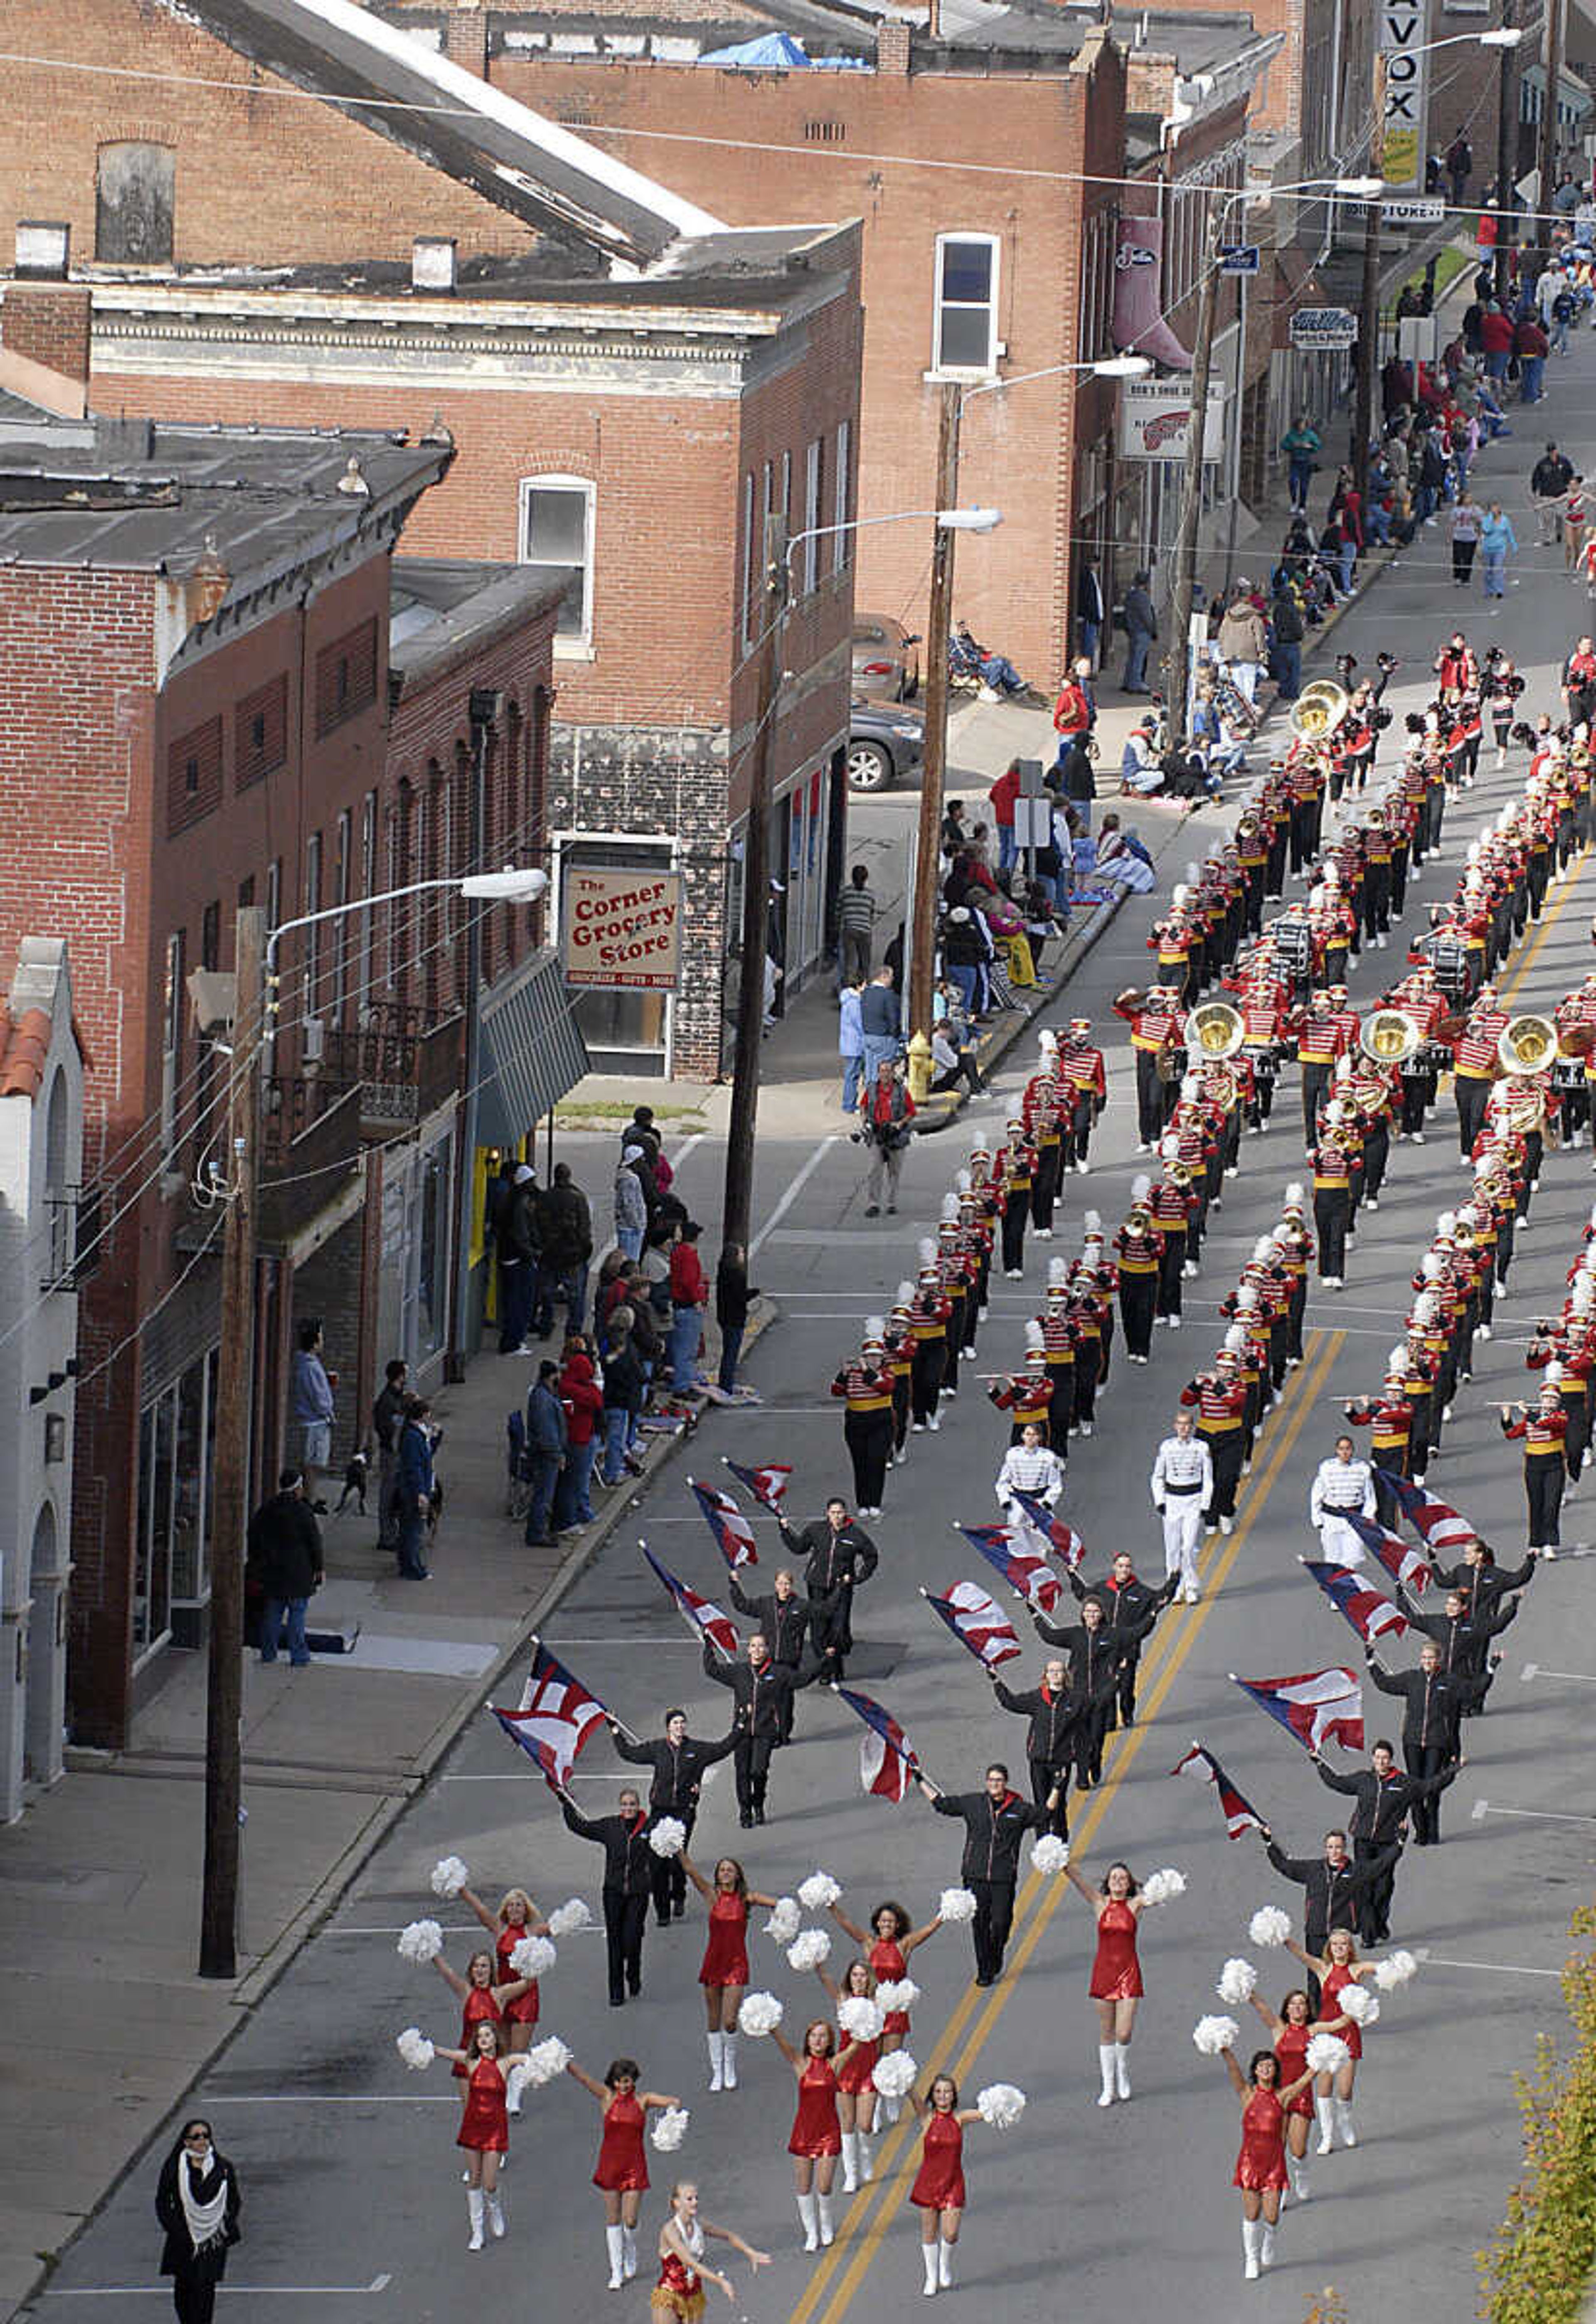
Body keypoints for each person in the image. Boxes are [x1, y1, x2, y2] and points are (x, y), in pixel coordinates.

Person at [918, 1762, 1056, 1987]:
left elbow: (1045, 1815)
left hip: (1003, 1878)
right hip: (975, 1876)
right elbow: (942, 1804)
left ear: (1005, 1783)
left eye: (999, 1781)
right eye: (991, 1780)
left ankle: (996, 1953)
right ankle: (985, 1971)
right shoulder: (974, 1804)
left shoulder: (1018, 1808)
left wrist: (1057, 1788)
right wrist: (920, 1780)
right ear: (986, 1783)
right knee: (980, 1924)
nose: (995, 1784)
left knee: (1001, 1923)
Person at [1311, 1736, 1456, 1940]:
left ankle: (1379, 1924)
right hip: (1363, 1842)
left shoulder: (1404, 1783)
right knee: (1364, 1887)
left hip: (1388, 1843)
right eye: (1378, 1758)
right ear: (1373, 1758)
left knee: (1384, 1887)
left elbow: (1430, 1786)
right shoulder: (1364, 1780)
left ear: (1391, 1760)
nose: (1381, 1762)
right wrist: (1320, 1764)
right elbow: (1338, 1783)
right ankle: (1369, 1935)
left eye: (1385, 1758)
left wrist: (1452, 1770)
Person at [564, 2053, 682, 2288]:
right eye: (620, 2081)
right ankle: (616, 2271)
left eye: (628, 2081)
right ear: (614, 2082)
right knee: (613, 2218)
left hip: (634, 2165)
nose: (624, 2086)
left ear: (634, 2081)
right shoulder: (606, 2098)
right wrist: (563, 2060)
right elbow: (584, 2078)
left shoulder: (643, 2101)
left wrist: (672, 2119)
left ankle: (630, 2248)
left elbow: (674, 2101)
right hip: (609, 2165)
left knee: (630, 2220)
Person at [611, 1708, 737, 1927]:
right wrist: (614, 1730)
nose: (680, 1726)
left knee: (678, 1859)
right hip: (660, 1811)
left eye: (682, 1722)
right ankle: (662, 1911)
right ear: (668, 1727)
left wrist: (741, 1726)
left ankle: (678, 1895)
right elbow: (628, 1753)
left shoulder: (696, 1750)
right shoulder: (657, 1748)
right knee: (657, 1862)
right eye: (675, 1723)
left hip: (684, 1812)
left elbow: (723, 1748)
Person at [1211, 2038, 1315, 2280]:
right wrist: (1224, 2049)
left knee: (1272, 2215)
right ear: (1256, 2071)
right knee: (1252, 2213)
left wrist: (1322, 2060)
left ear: (1276, 2071)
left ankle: (1269, 2239)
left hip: (1274, 2165)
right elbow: (1234, 2071)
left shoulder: (1283, 2097)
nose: (1267, 2069)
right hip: (1250, 2163)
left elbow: (1305, 2080)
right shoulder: (1247, 2096)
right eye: (1262, 2066)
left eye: (1271, 2066)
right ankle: (1252, 2258)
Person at [679, 1849, 780, 2093]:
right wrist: (678, 1847)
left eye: (730, 1870)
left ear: (737, 1876)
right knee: (713, 2020)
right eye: (722, 1870)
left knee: (730, 2020)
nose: (726, 1873)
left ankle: (730, 2066)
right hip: (713, 1962)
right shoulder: (712, 1895)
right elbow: (691, 1871)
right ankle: (718, 2071)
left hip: (736, 1963)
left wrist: (783, 1918)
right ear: (718, 1875)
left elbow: (780, 1904)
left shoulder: (747, 1898)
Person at [1365, 1639, 1484, 1840]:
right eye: (1424, 1658)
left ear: (1439, 1660)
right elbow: (1385, 1684)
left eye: (1431, 1658)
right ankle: (1421, 1833)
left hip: (1437, 1742)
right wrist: (1371, 1662)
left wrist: (1490, 1670)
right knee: (1414, 1788)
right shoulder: (1412, 1679)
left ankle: (1433, 1832)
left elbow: (1474, 1690)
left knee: (1432, 1787)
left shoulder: (1449, 1681)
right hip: (1412, 1742)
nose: (1427, 1661)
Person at [701, 1630, 823, 1826]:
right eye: (753, 1646)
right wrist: (708, 1645)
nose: (757, 1650)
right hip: (741, 1733)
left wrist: (824, 1661)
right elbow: (712, 1670)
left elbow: (802, 1679)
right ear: (748, 1650)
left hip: (765, 1732)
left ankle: (758, 1803)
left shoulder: (778, 1672)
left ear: (767, 1650)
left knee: (758, 1771)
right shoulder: (739, 1672)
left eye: (761, 1646)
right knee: (742, 1773)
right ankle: (745, 1812)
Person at [1063, 1854, 1151, 2105]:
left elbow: (1155, 1896)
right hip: (1104, 1972)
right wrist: (1064, 1865)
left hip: (1129, 1972)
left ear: (1129, 1883)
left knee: (1123, 2033)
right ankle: (1108, 2087)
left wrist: (1167, 1887)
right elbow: (1079, 1881)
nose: (1118, 1881)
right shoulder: (1099, 1903)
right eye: (1114, 1878)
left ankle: (1122, 2071)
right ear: (1109, 1883)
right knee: (1107, 2031)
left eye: (1123, 1878)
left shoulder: (1136, 1905)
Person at [559, 1782, 655, 2006]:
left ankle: (633, 1973)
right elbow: (581, 1827)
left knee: (632, 1938)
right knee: (614, 1942)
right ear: (620, 1807)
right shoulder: (611, 1826)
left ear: (638, 1806)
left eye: (632, 1804)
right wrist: (566, 1804)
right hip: (613, 1892)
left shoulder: (650, 1827)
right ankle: (616, 1991)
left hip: (638, 1893)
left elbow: (665, 1848)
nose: (628, 1808)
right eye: (624, 1805)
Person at [1256, 1824, 1399, 1955]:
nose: (1334, 1851)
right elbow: (1285, 1866)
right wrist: (1269, 1843)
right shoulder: (1313, 1870)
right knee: (1315, 1977)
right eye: (1331, 1847)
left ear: (1344, 1849)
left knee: (1338, 1978)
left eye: (1338, 1847)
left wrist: (1399, 1844)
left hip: (1340, 1935)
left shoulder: (1355, 1872)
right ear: (1326, 1848)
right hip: (1315, 1931)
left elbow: (1380, 1865)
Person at [907, 2073, 991, 2297]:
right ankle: (931, 2277)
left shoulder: (960, 2119)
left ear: (954, 2095)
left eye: (947, 2091)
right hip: (928, 2183)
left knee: (951, 2233)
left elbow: (986, 2113)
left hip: (953, 2183)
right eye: (938, 2092)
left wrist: (1000, 2105)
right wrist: (902, 2080)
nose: (943, 2095)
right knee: (929, 2232)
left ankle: (945, 2263)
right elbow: (912, 2094)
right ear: (933, 2096)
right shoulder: (926, 2118)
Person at [779, 1496, 879, 1677]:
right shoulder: (816, 1530)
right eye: (833, 1513)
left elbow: (871, 1557)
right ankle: (825, 1670)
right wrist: (785, 1530)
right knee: (818, 1630)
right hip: (816, 1586)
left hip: (841, 1588)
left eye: (840, 1512)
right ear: (828, 1514)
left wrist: (858, 1577)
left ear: (845, 1513)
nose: (837, 1516)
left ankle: (837, 1664)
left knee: (838, 1630)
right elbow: (799, 1547)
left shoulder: (855, 1535)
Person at [155, 2119, 241, 2324]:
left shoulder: (223, 2168)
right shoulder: (175, 2168)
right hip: (184, 2240)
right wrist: (175, 2228)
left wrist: (222, 2224)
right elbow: (163, 2201)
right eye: (196, 2136)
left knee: (205, 2291)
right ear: (187, 2142)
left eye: (206, 2135)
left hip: (211, 2241)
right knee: (184, 2290)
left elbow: (234, 2201)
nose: (202, 2140)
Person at [456, 1880, 550, 2052]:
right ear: (506, 1910)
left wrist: (573, 1917)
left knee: (517, 2054)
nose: (514, 1909)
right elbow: (480, 1909)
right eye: (511, 1905)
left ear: (525, 1910)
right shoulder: (500, 1929)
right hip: (503, 1995)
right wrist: (461, 1889)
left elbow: (559, 1926)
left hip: (526, 1996)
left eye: (519, 1905)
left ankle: (521, 2078)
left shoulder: (534, 1931)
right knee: (502, 2052)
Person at [650, 2180, 769, 2316]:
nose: (695, 2202)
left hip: (694, 2295)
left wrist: (750, 2252)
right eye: (689, 2199)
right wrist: (720, 2281)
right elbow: (690, 2262)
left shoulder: (699, 2225)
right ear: (676, 2203)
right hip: (670, 2294)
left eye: (696, 2198)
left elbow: (729, 2236)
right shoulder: (670, 2230)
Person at [248, 1468, 323, 1667]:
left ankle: (268, 1653)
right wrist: (319, 1567)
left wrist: (258, 1561)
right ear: (297, 1488)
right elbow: (314, 1541)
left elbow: (253, 1535)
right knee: (297, 1615)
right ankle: (299, 1656)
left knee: (273, 1614)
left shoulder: (267, 1509)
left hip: (273, 1571)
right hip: (299, 1572)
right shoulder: (303, 1511)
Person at [1149, 1408, 1212, 1603]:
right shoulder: (1167, 1447)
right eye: (1180, 1424)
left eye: (1187, 1424)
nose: (1184, 1428)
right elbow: (1157, 1476)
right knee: (1172, 1547)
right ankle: (1174, 1586)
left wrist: (1205, 1504)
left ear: (1192, 1427)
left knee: (1189, 1546)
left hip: (1193, 1500)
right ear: (1175, 1426)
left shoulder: (1201, 1448)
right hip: (1172, 1501)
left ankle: (1191, 1586)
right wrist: (1160, 1501)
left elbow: (1208, 1479)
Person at [534, 1162, 593, 1339]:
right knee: (576, 1297)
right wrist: (585, 1249)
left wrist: (541, 1247)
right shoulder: (578, 1198)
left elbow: (537, 1225)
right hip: (572, 1255)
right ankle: (574, 1332)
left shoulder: (544, 1198)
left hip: (550, 1254)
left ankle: (546, 1325)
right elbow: (584, 1228)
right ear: (568, 1177)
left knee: (547, 1293)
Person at [553, 1337, 603, 1532]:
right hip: (577, 1438)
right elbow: (597, 1401)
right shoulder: (574, 1389)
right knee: (574, 1481)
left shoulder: (570, 1386)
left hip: (580, 1436)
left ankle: (572, 1516)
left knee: (574, 1480)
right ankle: (569, 1519)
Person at [858, 1058, 916, 1218]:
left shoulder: (902, 1091)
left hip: (895, 1136)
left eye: (888, 1071)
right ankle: (873, 1203)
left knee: (894, 1171)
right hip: (877, 1134)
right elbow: (863, 1105)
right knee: (874, 1170)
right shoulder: (871, 1089)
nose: (885, 1074)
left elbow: (911, 1112)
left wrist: (899, 1124)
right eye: (882, 1071)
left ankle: (892, 1203)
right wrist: (864, 1121)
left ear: (893, 1073)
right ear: (878, 1073)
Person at [1308, 1434, 1375, 1566]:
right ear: (1337, 1451)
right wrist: (1317, 1519)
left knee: (1354, 1557)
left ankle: (1347, 1583)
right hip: (1331, 1518)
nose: (1345, 1453)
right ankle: (1335, 1585)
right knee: (1333, 1557)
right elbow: (1317, 1495)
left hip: (1354, 1517)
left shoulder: (1362, 1469)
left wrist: (1368, 1517)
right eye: (1342, 1449)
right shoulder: (1327, 1469)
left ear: (1353, 1450)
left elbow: (1370, 1496)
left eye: (1348, 1449)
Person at [289, 1319, 335, 1509]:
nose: (323, 1341)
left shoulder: (308, 1364)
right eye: (321, 1337)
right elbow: (317, 1396)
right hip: (314, 1422)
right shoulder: (309, 1367)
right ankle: (309, 1498)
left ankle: (311, 1495)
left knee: (312, 1463)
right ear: (315, 1342)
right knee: (311, 1463)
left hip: (313, 1420)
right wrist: (328, 1412)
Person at [523, 1360, 568, 1548]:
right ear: (552, 1376)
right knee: (543, 1495)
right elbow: (547, 1433)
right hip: (546, 1456)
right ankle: (537, 1533)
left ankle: (538, 1531)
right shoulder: (543, 1399)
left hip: (546, 1453)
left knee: (543, 1494)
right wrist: (557, 1454)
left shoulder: (544, 1395)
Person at [497, 1163, 540, 1352]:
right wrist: (532, 1254)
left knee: (514, 1301)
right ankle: (513, 1342)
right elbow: (521, 1235)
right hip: (518, 1259)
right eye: (531, 1182)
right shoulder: (520, 1205)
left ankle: (513, 1339)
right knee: (520, 1302)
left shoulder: (511, 1201)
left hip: (510, 1257)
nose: (534, 1185)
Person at [396, 1393, 436, 1581]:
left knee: (411, 1529)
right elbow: (415, 1467)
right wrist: (421, 1492)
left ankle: (411, 1565)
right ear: (422, 1415)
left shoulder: (415, 1434)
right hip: (414, 1492)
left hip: (415, 1489)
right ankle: (412, 1567)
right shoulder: (413, 1437)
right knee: (413, 1530)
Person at [993, 1420, 1064, 1523]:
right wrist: (1005, 1500)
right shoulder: (1013, 1455)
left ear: (1040, 1438)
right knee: (1016, 1533)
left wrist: (1048, 1502)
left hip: (1039, 1501)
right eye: (1028, 1434)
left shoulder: (1049, 1457)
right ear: (1023, 1436)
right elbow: (1002, 1482)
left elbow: (1056, 1484)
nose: (1031, 1438)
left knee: (1041, 1533)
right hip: (1018, 1502)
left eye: (1034, 1435)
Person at [714, 1242, 754, 1394]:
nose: (743, 1256)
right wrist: (754, 1293)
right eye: (742, 1253)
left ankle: (726, 1382)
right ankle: (727, 1384)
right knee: (732, 1352)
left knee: (728, 1351)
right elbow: (740, 1297)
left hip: (724, 1316)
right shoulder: (737, 1275)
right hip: (735, 1318)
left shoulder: (723, 1271)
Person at [837, 864, 877, 986]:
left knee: (850, 961)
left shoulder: (845, 892)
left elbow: (839, 911)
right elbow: (871, 914)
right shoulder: (870, 895)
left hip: (849, 929)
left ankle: (849, 986)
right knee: (865, 961)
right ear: (866, 879)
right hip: (865, 931)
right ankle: (864, 984)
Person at [1121, 570, 1158, 694]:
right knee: (1139, 659)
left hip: (1132, 630)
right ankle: (1135, 685)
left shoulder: (1130, 595)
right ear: (1146, 583)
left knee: (1132, 658)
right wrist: (1153, 631)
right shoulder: (1143, 597)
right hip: (1142, 631)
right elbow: (1147, 617)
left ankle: (1127, 682)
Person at [838, 977, 866, 1115]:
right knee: (853, 1076)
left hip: (848, 1044)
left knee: (851, 1075)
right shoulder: (855, 1003)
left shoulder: (847, 1000)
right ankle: (849, 1105)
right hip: (855, 1045)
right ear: (858, 986)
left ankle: (849, 1104)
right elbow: (859, 1024)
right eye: (865, 985)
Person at [614, 1151, 649, 1263]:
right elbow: (629, 1205)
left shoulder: (625, 1177)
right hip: (631, 1229)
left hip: (629, 1227)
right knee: (630, 1262)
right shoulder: (630, 1180)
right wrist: (638, 1225)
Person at [1281, 416, 1320, 512]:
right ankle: (1294, 503)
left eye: (1303, 424)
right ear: (1296, 425)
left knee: (1304, 487)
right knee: (1293, 482)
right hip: (1295, 462)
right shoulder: (1292, 435)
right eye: (1300, 424)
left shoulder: (1310, 434)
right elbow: (1283, 444)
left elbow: (1318, 445)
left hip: (1306, 463)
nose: (1302, 426)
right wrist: (1292, 446)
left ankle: (1302, 506)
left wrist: (1309, 447)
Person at [1480, 502, 1517, 599]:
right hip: (1487, 548)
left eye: (1496, 508)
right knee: (1488, 571)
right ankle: (1489, 590)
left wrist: (1514, 545)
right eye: (1493, 509)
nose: (1495, 510)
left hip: (1500, 549)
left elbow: (1509, 533)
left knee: (1498, 569)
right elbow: (1487, 530)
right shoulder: (1486, 520)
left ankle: (1499, 590)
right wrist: (1492, 519)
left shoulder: (1505, 520)